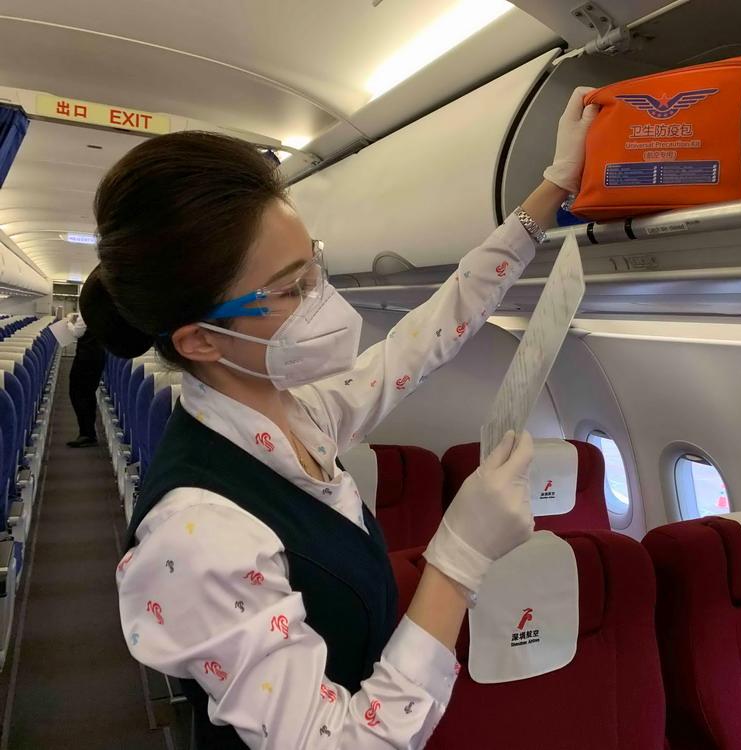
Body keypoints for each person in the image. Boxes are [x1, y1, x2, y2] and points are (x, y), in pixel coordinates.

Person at [81, 88, 598, 749]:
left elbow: (427, 336)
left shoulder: (302, 414)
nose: (321, 301)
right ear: (201, 340)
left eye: (315, 270)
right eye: (292, 288)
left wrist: (552, 188)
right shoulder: (197, 536)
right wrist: (459, 558)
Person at [65, 311, 106, 448]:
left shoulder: (87, 312)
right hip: (97, 356)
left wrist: (68, 323)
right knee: (87, 394)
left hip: (86, 358)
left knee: (77, 393)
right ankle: (88, 432)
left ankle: (87, 434)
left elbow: (77, 332)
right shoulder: (101, 311)